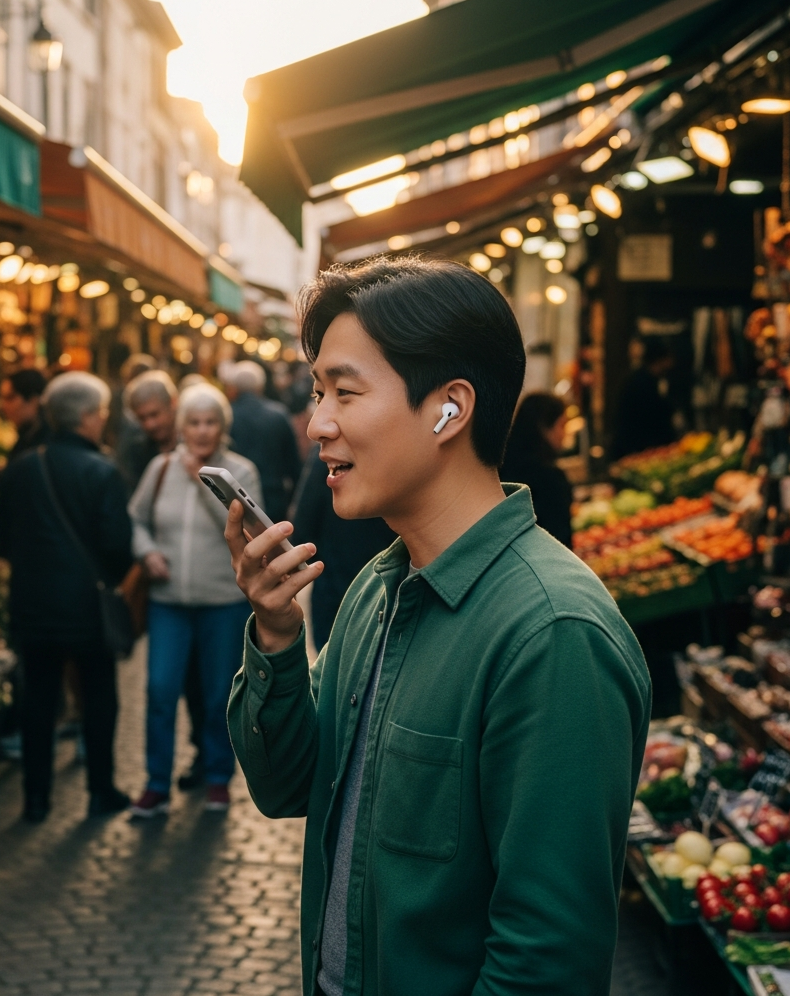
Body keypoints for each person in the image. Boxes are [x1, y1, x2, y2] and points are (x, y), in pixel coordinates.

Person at [225, 255, 651, 996]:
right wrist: (276, 634)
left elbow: (546, 960)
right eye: (319, 392)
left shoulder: (553, 633)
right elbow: (289, 783)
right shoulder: (379, 590)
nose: (318, 423)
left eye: (344, 393)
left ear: (450, 409)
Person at [0, 372, 133, 823]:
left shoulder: (21, 468)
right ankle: (100, 790)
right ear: (88, 418)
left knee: (38, 700)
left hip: (32, 603)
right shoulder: (104, 472)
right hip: (86, 607)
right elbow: (117, 547)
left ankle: (35, 799)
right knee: (99, 698)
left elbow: (0, 537)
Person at [128, 383, 261, 817]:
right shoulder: (161, 468)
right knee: (161, 689)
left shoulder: (242, 471)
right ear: (181, 426)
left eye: (211, 422)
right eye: (194, 422)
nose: (202, 431)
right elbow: (136, 519)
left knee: (218, 693)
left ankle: (218, 778)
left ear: (223, 426)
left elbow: (245, 534)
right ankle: (154, 784)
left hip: (222, 601)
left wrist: (203, 484)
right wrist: (147, 552)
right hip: (169, 602)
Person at [291, 446, 396, 648]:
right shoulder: (394, 452)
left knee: (331, 658)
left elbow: (306, 518)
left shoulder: (327, 455)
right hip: (388, 579)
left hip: (335, 580)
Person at [226, 361, 302, 523]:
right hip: (274, 501)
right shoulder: (278, 415)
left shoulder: (227, 416)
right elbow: (294, 464)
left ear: (234, 388)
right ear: (260, 386)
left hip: (236, 499)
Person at [501, 392, 573, 549]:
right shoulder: (550, 478)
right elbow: (561, 543)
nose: (564, 434)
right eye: (562, 425)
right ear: (544, 427)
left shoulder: (497, 466)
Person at [611, 336, 676, 460]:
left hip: (636, 452)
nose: (672, 363)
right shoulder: (642, 385)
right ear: (660, 359)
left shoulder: (645, 380)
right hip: (634, 454)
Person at [0, 369, 50, 486]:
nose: (3, 406)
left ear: (32, 400)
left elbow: (29, 481)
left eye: (9, 398)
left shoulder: (44, 440)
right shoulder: (30, 431)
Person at [117, 371, 178, 498]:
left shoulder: (195, 443)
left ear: (172, 403)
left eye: (154, 414)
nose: (150, 424)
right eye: (142, 418)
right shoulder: (134, 450)